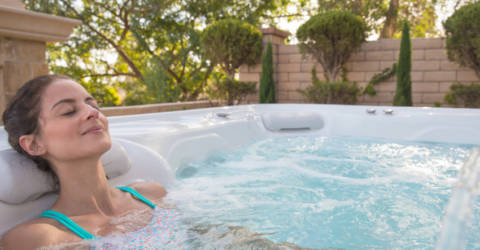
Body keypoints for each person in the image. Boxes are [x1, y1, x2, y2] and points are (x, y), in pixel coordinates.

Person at [0, 75, 180, 249]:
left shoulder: (151, 194)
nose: (92, 112)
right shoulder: (39, 237)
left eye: (93, 105)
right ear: (34, 144)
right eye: (68, 112)